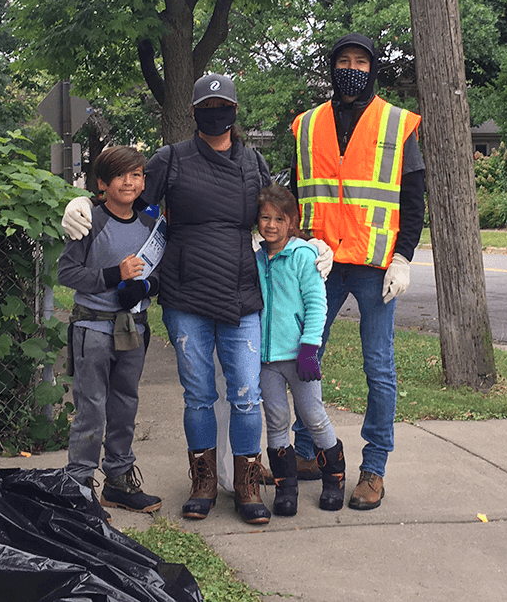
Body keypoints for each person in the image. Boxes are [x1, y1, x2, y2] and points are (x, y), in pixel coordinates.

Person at [61, 74, 336, 525]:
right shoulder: (171, 159)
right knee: (199, 396)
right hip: (185, 292)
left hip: (241, 293)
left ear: (234, 109)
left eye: (223, 104)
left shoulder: (253, 162)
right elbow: (128, 200)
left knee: (247, 395)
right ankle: (203, 481)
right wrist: (83, 205)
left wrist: (307, 244)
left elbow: (277, 213)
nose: (216, 111)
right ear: (193, 112)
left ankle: (247, 483)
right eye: (206, 105)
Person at [290, 33, 425, 511]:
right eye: (344, 61)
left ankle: (374, 469)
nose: (352, 68)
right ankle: (307, 453)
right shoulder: (306, 126)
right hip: (320, 264)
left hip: (373, 267)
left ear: (373, 69)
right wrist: (293, 244)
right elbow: (296, 195)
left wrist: (403, 257)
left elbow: (412, 201)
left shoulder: (397, 123)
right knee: (302, 359)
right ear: (332, 68)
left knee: (379, 369)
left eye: (361, 62)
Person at [57, 145, 163, 515]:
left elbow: (160, 274)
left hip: (134, 329)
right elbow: (66, 273)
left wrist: (147, 287)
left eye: (136, 175)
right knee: (91, 407)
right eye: (120, 175)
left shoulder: (151, 227)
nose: (129, 182)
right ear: (102, 183)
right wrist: (111, 276)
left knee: (124, 405)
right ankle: (79, 482)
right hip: (94, 328)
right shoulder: (90, 222)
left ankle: (118, 480)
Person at [254, 185, 344, 515]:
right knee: (276, 421)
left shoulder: (304, 256)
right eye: (265, 217)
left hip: (299, 357)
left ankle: (334, 477)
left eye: (280, 218)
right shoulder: (257, 258)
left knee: (314, 417)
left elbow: (317, 305)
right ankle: (285, 487)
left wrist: (310, 348)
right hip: (267, 361)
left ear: (293, 221)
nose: (271, 224)